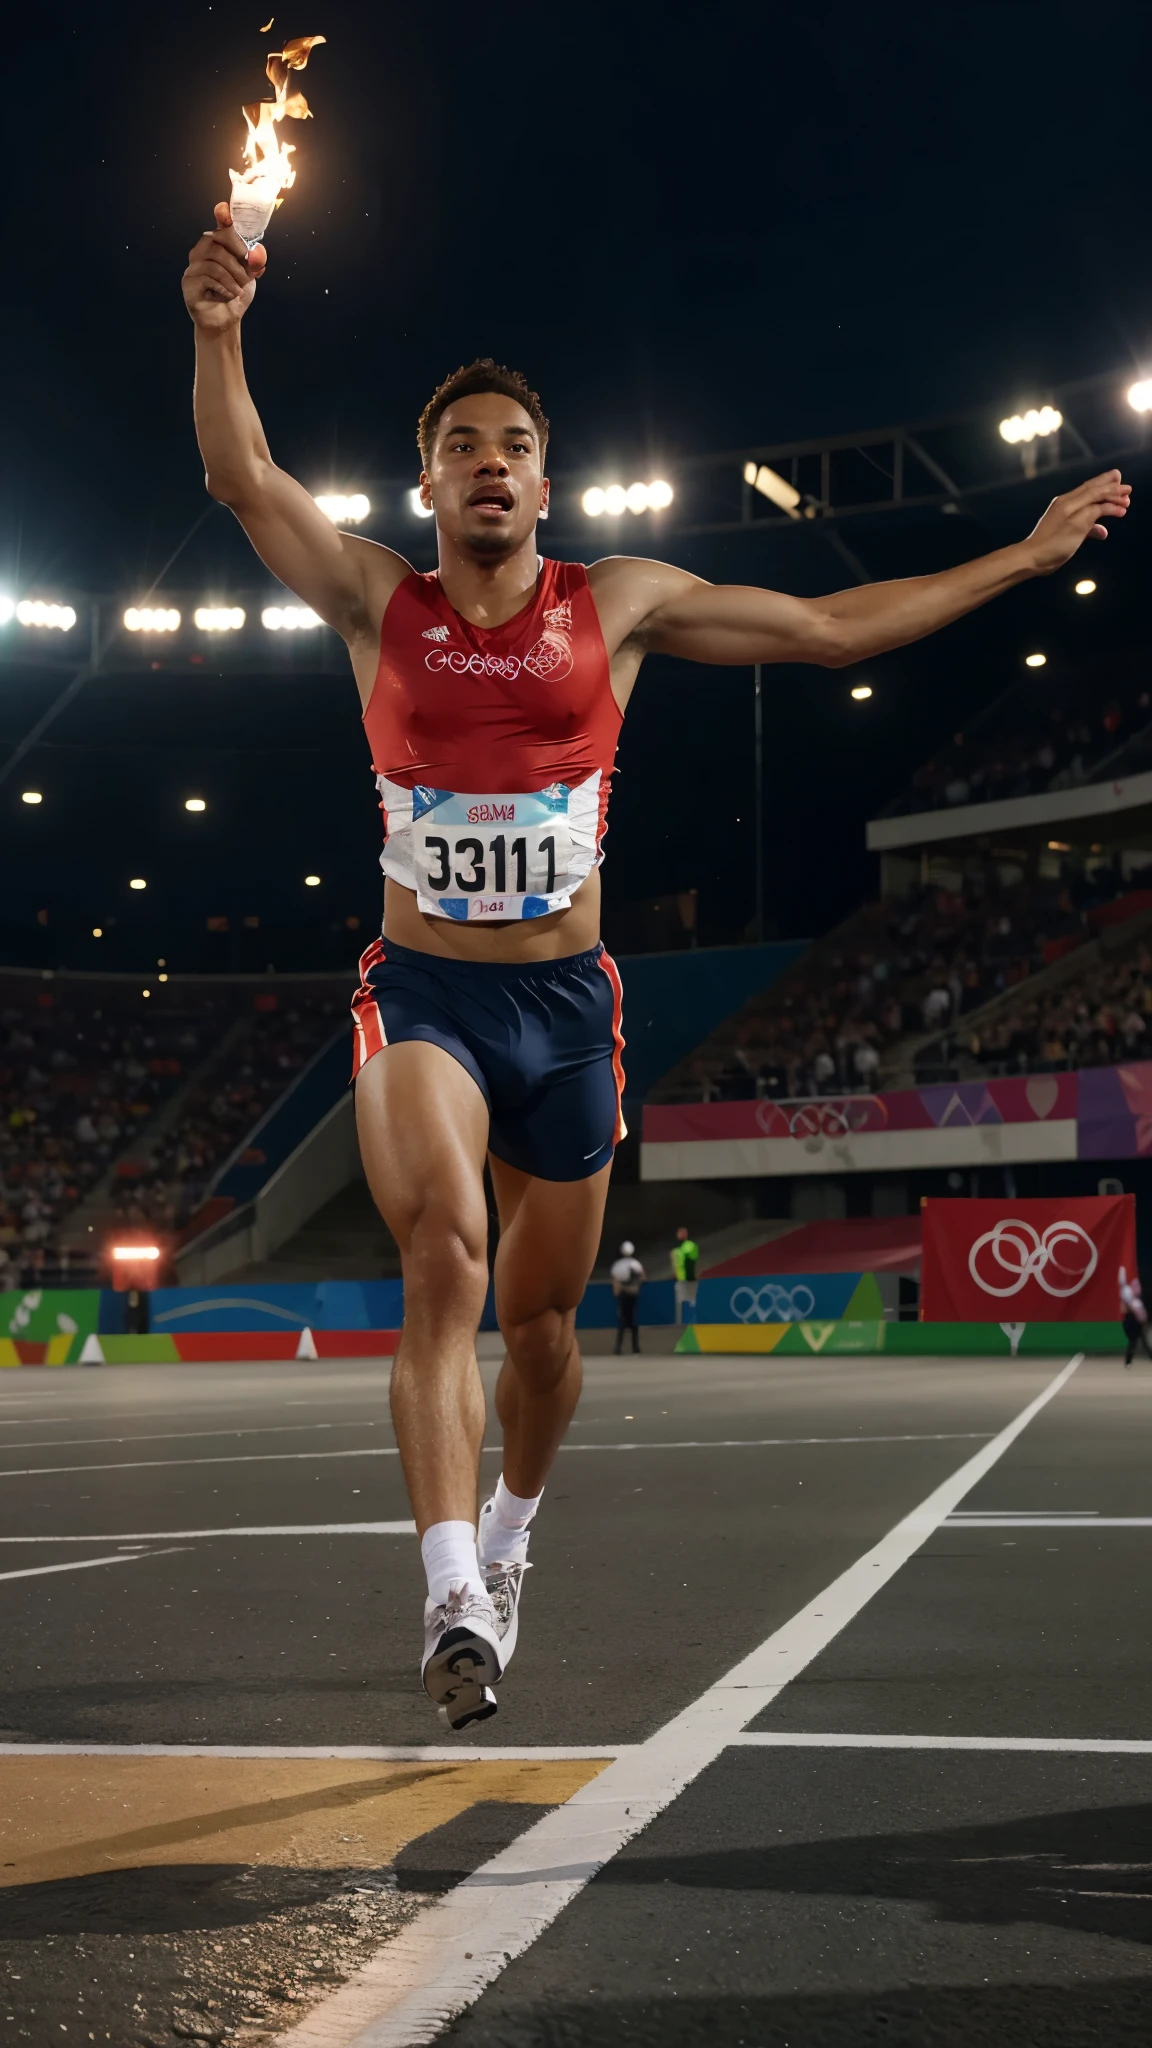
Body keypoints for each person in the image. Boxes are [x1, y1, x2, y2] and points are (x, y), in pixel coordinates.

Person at [182, 205, 1131, 1731]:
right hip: (422, 993)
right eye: (463, 444)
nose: (490, 461)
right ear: (426, 481)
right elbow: (241, 477)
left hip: (568, 1009)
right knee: (445, 1257)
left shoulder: (613, 604)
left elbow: (827, 631)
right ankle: (447, 1594)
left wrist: (1021, 559)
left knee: (545, 1332)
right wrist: (221, 325)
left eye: (514, 445)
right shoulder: (376, 600)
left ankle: (512, 1536)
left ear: (544, 483)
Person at [610, 1239, 646, 1354]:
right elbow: (643, 1277)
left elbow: (615, 1283)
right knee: (633, 1322)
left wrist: (617, 1292)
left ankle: (618, 1348)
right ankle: (635, 1348)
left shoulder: (617, 1266)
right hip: (633, 1294)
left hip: (623, 1295)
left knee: (622, 1322)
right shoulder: (636, 1264)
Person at [1119, 1265, 1152, 1367]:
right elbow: (1126, 1308)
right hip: (1132, 1320)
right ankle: (1128, 1361)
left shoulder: (1138, 1301)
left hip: (1139, 1320)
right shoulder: (1128, 1295)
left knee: (1144, 1340)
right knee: (1134, 1341)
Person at [671, 1224, 700, 1323]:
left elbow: (692, 1259)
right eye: (679, 1233)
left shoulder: (689, 1245)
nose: (681, 1235)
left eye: (683, 1233)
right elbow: (676, 1263)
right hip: (680, 1279)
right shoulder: (676, 1248)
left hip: (690, 1278)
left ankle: (694, 1320)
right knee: (680, 1301)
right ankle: (680, 1322)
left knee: (692, 1301)